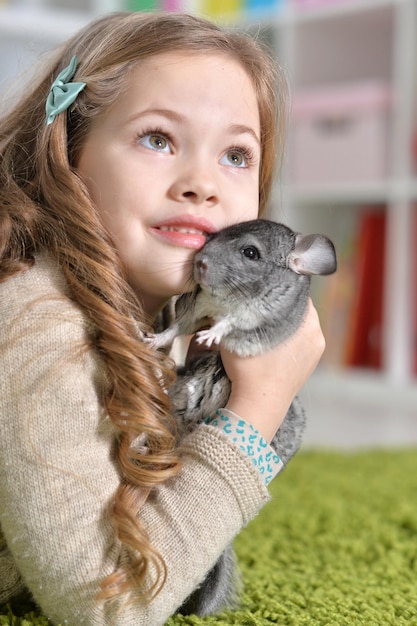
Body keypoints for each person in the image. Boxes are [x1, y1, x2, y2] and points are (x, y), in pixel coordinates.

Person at [0, 11, 325, 626]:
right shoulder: (35, 323)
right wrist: (257, 410)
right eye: (158, 138)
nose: (202, 183)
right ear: (68, 154)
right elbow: (104, 606)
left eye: (235, 154)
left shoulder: (166, 313)